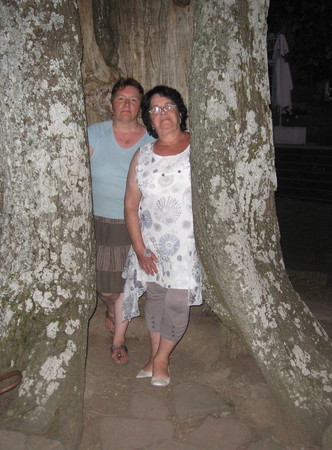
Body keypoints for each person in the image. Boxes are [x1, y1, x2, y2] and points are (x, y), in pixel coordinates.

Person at [122, 85, 203, 387]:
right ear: (149, 121)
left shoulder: (200, 147)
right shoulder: (141, 156)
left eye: (168, 106)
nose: (162, 113)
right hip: (150, 243)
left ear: (180, 112)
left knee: (178, 303)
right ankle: (154, 356)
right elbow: (130, 206)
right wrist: (140, 249)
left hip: (187, 245)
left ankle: (161, 359)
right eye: (154, 110)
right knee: (155, 297)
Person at [89, 78, 155, 365]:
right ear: (111, 103)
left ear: (140, 106)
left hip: (137, 225)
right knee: (107, 289)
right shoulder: (93, 134)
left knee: (127, 285)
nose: (127, 105)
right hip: (101, 222)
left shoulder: (151, 140)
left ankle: (119, 341)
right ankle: (109, 311)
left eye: (133, 100)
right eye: (121, 99)